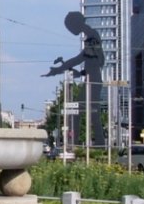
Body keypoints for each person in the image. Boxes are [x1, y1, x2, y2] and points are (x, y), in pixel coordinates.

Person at [43, 11, 106, 147]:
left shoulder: (91, 36)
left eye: (70, 28)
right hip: (91, 79)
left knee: (82, 111)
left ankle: (77, 144)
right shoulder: (91, 35)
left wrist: (58, 70)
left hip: (93, 81)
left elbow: (83, 59)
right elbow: (96, 61)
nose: (71, 31)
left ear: (76, 24)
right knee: (90, 112)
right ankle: (97, 144)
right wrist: (83, 72)